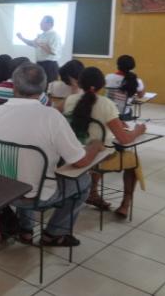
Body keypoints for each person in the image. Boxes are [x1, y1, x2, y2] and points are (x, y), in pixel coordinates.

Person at [0, 63, 104, 246]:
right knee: (84, 181)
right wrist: (95, 145)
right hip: (34, 197)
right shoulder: (51, 117)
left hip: (0, 192)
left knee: (25, 171)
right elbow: (80, 162)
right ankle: (54, 233)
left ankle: (26, 230)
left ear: (14, 86)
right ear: (45, 88)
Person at [64, 67, 146, 218]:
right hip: (98, 156)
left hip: (76, 152)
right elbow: (124, 139)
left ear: (80, 83)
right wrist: (139, 130)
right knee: (134, 161)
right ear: (101, 85)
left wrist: (117, 122)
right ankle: (124, 205)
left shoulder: (70, 100)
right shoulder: (106, 103)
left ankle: (93, 192)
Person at [17, 15, 62, 83]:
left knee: (49, 87)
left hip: (50, 65)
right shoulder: (42, 35)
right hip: (40, 64)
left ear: (49, 24)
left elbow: (53, 52)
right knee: (39, 85)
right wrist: (21, 38)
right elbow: (31, 43)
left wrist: (40, 44)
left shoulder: (54, 35)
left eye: (42, 22)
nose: (40, 24)